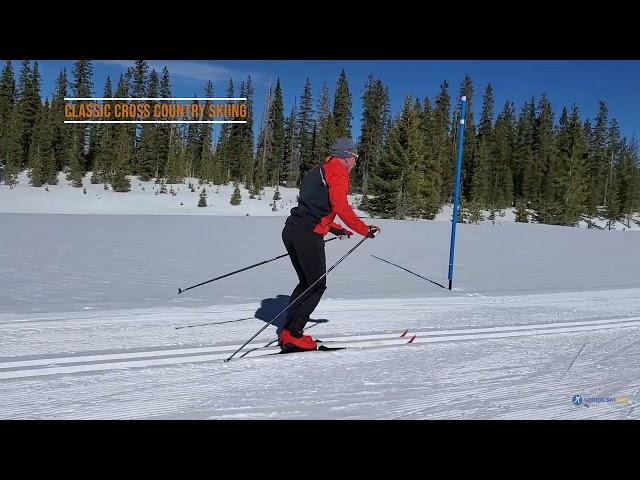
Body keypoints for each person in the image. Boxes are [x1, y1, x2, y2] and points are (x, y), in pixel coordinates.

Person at [279, 138, 380, 352]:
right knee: (316, 285)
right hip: (307, 234)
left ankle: (289, 329)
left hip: (292, 230)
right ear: (346, 157)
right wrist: (364, 229)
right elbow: (341, 207)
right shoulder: (338, 173)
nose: (355, 163)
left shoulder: (317, 171)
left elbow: (314, 208)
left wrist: (335, 228)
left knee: (307, 282)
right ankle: (293, 334)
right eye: (355, 158)